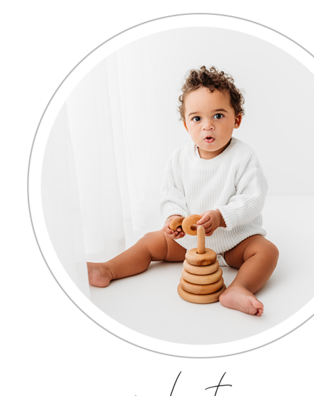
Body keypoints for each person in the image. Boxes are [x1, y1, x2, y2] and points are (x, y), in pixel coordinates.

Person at [87, 66, 279, 316]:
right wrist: (173, 219)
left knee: (267, 251)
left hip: (235, 241)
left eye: (218, 116)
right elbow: (170, 195)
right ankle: (108, 269)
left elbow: (252, 198)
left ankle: (238, 288)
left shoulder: (244, 157)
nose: (207, 126)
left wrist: (222, 216)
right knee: (149, 242)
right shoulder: (179, 159)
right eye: (197, 118)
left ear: (237, 119)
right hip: (187, 242)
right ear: (187, 125)